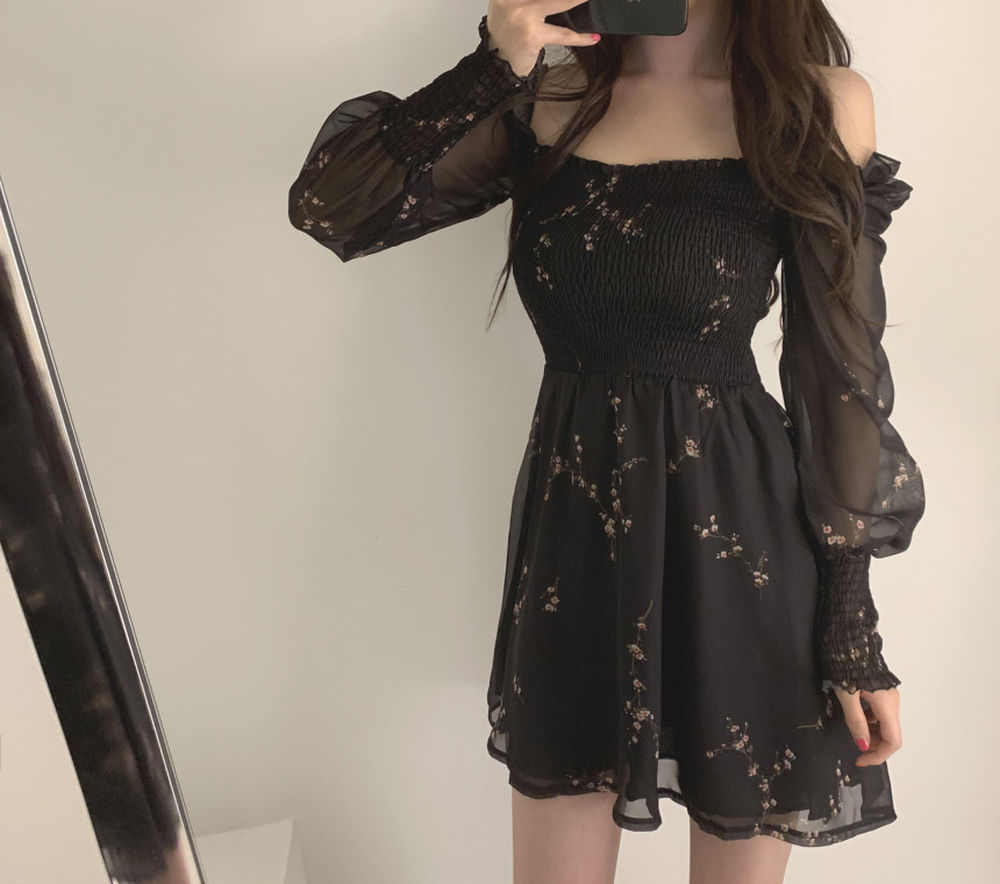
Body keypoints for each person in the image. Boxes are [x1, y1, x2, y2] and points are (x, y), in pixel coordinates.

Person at [287, 1, 926, 881]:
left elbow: (837, 372)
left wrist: (850, 619)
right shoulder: (544, 104)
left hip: (745, 552)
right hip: (575, 550)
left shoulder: (813, 105)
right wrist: (493, 64)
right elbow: (332, 208)